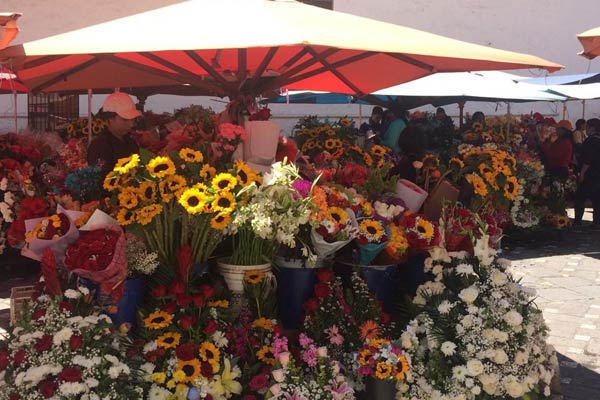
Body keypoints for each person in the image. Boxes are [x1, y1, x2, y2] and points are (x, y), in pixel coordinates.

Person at [87, 92, 141, 176]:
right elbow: (102, 179)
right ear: (110, 119)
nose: (131, 124)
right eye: (125, 119)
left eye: (133, 119)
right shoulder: (100, 146)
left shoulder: (131, 142)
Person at [574, 118, 600, 226]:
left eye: (588, 127)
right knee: (597, 199)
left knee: (580, 197)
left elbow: (588, 159)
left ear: (592, 128)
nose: (586, 130)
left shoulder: (591, 141)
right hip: (597, 173)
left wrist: (582, 173)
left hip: (590, 173)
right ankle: (597, 222)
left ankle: (578, 221)